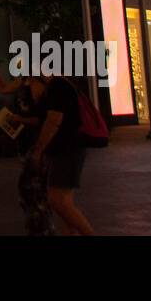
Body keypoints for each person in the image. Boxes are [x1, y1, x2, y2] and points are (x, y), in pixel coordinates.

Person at [0, 59, 54, 235]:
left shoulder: (40, 84)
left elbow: (42, 118)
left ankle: (41, 226)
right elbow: (3, 88)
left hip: (36, 141)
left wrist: (20, 119)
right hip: (25, 139)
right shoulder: (25, 81)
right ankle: (38, 226)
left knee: (32, 187)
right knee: (30, 188)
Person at [28, 75, 94, 235]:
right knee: (64, 203)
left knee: (57, 199)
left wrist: (38, 151)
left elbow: (53, 120)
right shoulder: (62, 84)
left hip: (67, 149)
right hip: (67, 149)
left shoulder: (57, 85)